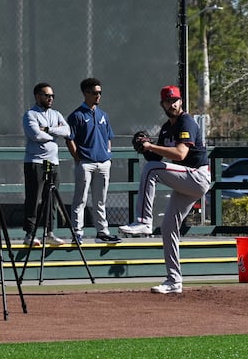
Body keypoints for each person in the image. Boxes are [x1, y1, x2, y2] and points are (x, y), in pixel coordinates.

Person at [121, 85, 212, 295]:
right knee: (169, 227)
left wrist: (151, 147)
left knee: (151, 170)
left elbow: (180, 154)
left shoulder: (186, 121)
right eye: (168, 101)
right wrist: (145, 146)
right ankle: (174, 281)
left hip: (198, 177)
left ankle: (144, 221)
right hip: (185, 181)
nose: (172, 104)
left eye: (175, 100)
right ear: (162, 104)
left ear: (181, 102)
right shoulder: (165, 128)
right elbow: (156, 159)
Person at [66, 77, 117, 244]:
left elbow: (108, 136)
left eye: (100, 93)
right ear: (85, 93)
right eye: (95, 93)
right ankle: (77, 232)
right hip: (85, 163)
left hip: (103, 163)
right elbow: (70, 139)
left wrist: (107, 153)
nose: (98, 96)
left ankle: (102, 232)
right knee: (80, 199)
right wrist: (79, 159)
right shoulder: (76, 115)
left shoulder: (103, 115)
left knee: (100, 199)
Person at [22, 82, 71, 244]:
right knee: (33, 198)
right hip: (35, 162)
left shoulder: (56, 114)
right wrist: (54, 133)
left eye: (52, 96)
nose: (50, 99)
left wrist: (49, 130)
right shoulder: (30, 115)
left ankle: (49, 233)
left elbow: (67, 131)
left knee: (51, 199)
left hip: (53, 162)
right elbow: (36, 135)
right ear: (38, 96)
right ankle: (29, 235)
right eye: (47, 95)